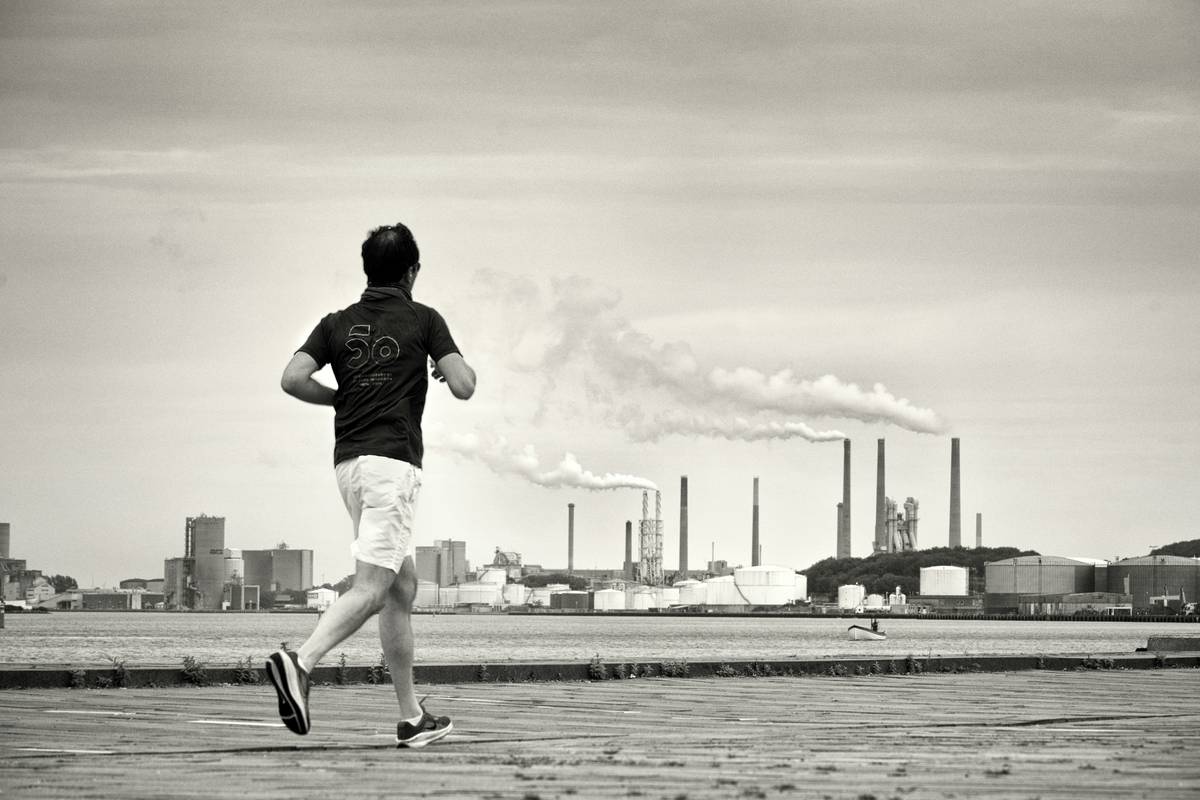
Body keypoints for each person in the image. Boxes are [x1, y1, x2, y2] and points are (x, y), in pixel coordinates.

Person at [266, 221, 476, 749]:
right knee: (373, 587)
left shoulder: (335, 323)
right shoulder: (425, 319)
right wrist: (441, 364)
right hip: (392, 466)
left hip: (350, 466)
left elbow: (292, 379)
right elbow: (465, 385)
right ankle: (300, 663)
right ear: (413, 271)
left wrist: (338, 398)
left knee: (401, 587)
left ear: (367, 270)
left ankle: (411, 717)